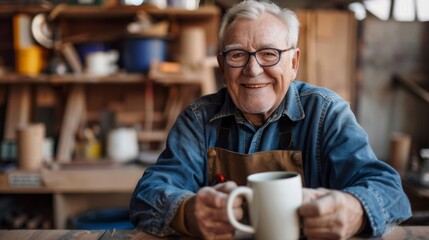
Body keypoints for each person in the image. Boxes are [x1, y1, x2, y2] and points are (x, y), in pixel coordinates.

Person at [130, 0, 411, 239]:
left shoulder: (326, 114)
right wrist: (188, 212)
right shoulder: (198, 119)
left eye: (269, 54)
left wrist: (355, 210)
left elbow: (390, 191)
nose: (253, 70)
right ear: (222, 65)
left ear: (293, 62)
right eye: (238, 55)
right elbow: (146, 195)